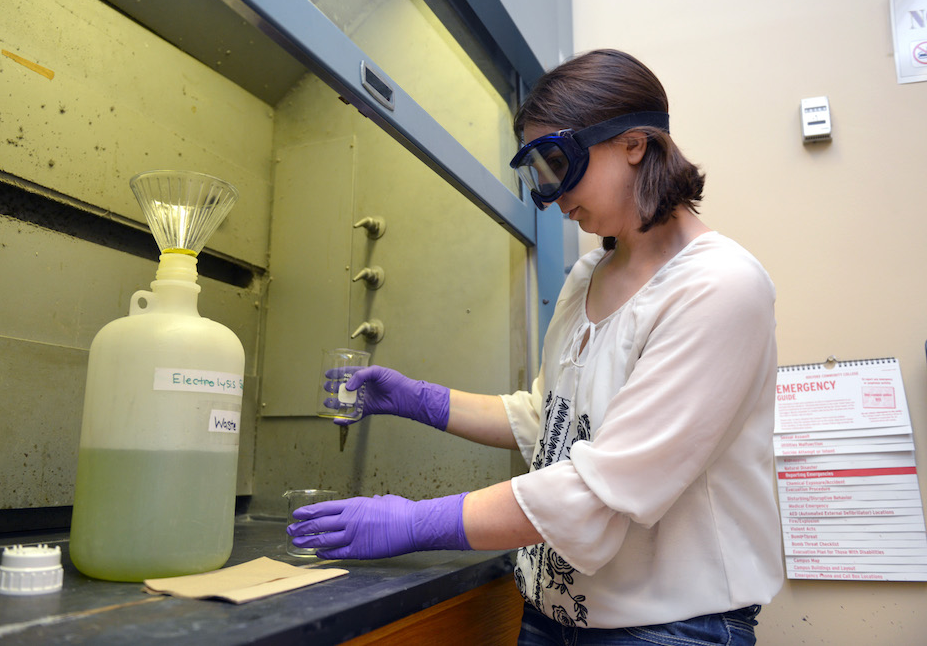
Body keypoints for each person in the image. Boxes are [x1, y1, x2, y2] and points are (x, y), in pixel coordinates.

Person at [288, 49, 784, 645]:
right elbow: (547, 418)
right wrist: (416, 399)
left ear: (633, 144)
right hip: (553, 614)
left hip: (666, 626)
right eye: (536, 175)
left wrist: (417, 522)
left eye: (556, 163)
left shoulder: (718, 287)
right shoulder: (587, 278)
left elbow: (600, 489)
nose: (548, 197)